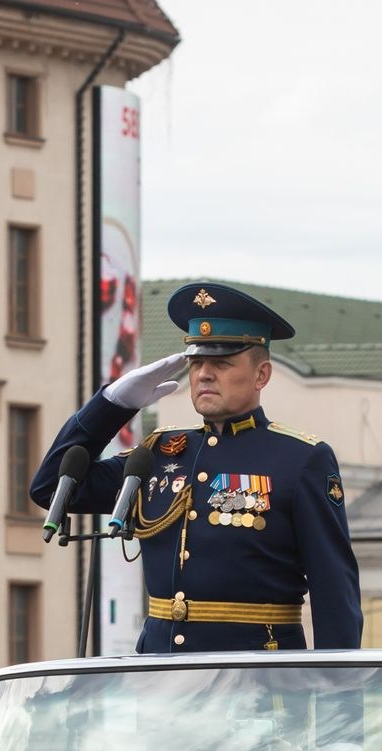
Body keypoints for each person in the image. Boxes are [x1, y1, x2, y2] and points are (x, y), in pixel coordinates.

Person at [30, 281, 362, 656]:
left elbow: (336, 593)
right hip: (162, 681)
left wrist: (340, 699)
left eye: (221, 363)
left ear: (261, 375)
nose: (204, 374)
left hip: (257, 684)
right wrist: (111, 405)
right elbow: (50, 488)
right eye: (197, 362)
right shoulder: (160, 454)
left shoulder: (300, 459)